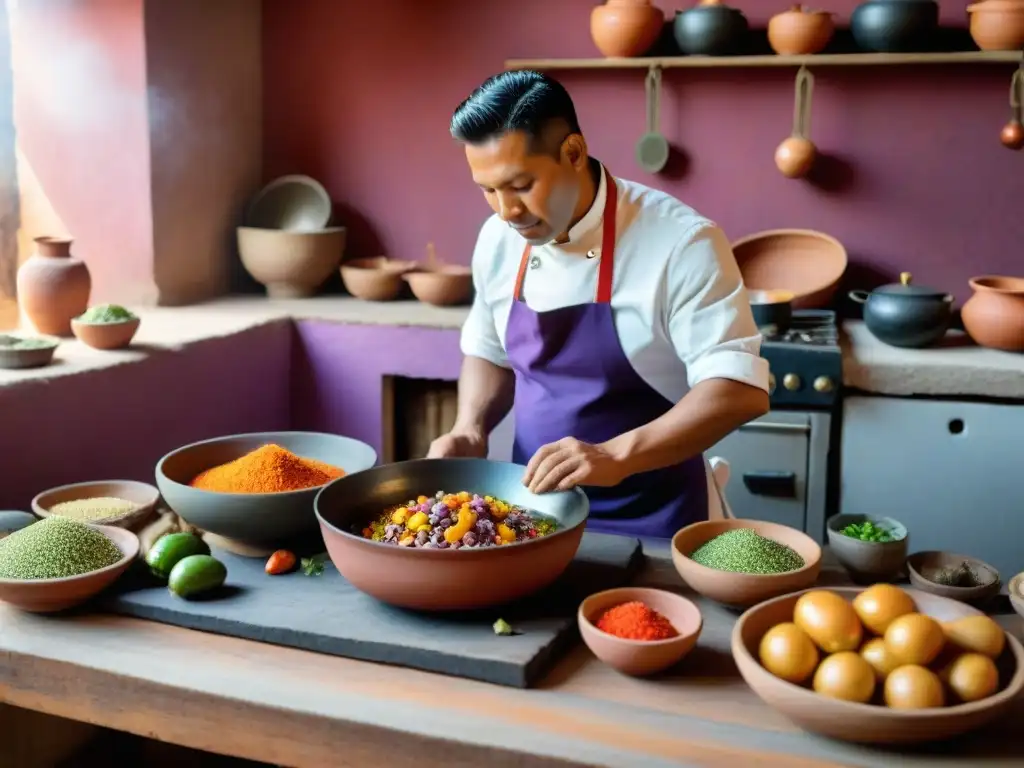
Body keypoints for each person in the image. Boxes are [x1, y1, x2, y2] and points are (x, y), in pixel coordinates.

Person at [427, 70, 770, 538]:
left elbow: (737, 389)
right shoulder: (499, 239)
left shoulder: (681, 242)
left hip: (657, 521)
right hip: (532, 519)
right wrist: (470, 428)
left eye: (521, 185)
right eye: (488, 190)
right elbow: (489, 350)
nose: (506, 211)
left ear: (572, 152)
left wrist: (614, 456)